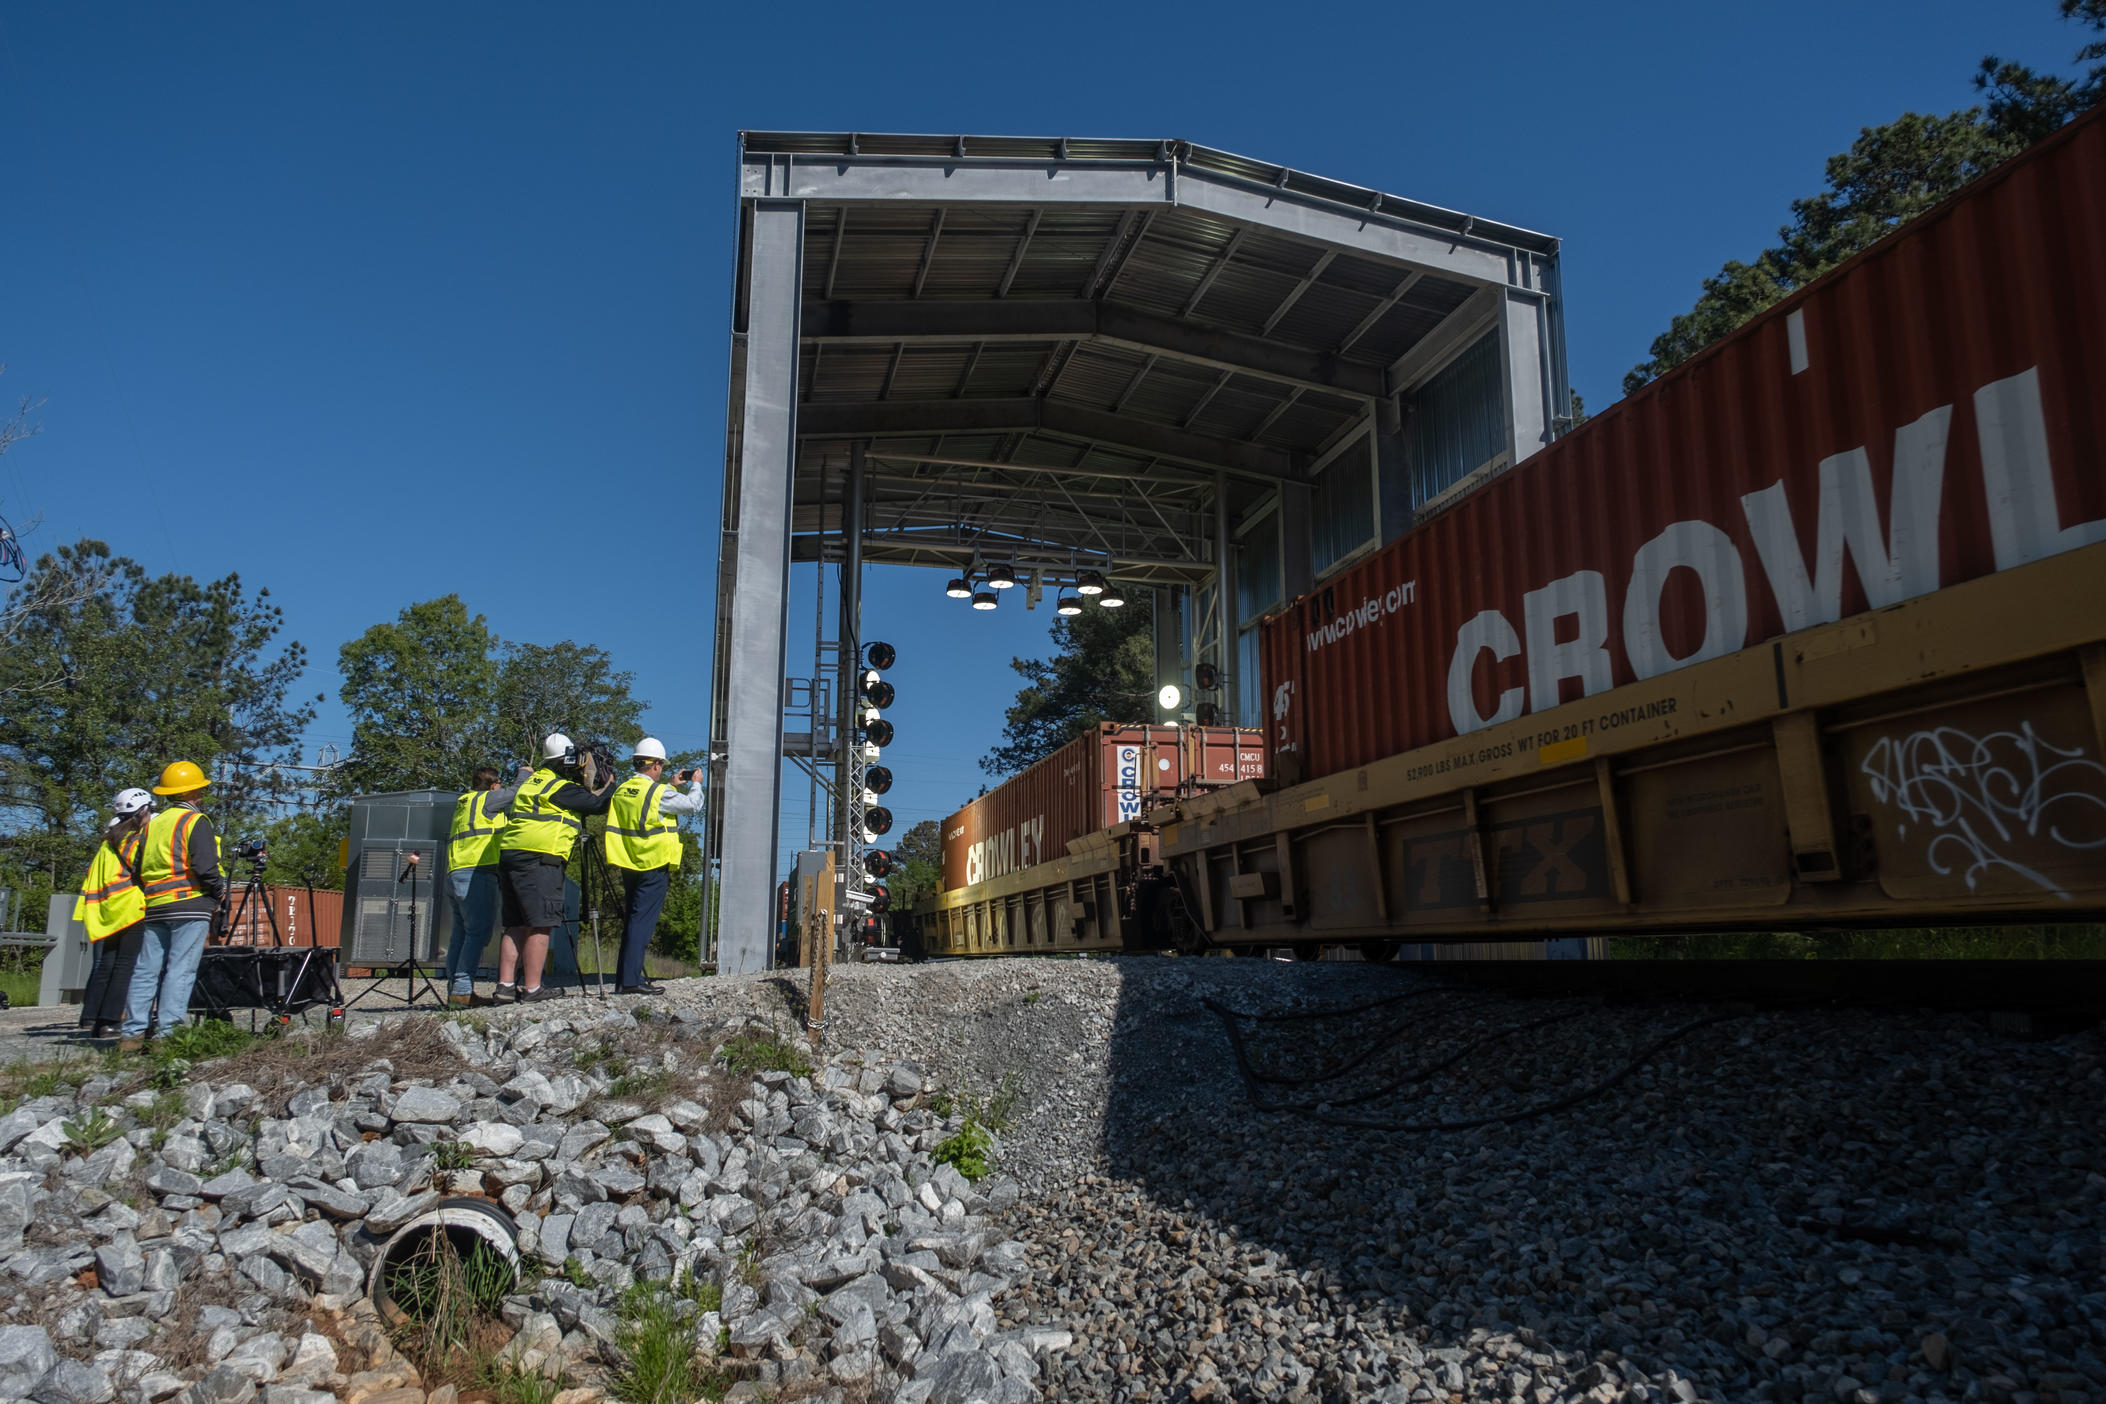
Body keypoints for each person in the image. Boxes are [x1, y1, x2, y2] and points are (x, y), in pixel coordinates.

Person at [495, 733, 616, 1002]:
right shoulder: (558, 787)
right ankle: (533, 988)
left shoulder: (533, 782)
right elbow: (597, 804)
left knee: (515, 924)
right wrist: (609, 784)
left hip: (512, 854)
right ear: (564, 760)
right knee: (541, 924)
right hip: (541, 859)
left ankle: (504, 987)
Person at [122, 760, 225, 1050]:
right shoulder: (195, 821)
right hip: (190, 905)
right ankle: (168, 1037)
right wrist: (218, 894)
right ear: (194, 792)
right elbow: (205, 867)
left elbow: (138, 868)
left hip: (155, 906)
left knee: (145, 970)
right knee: (180, 970)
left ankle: (132, 1034)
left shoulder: (151, 825)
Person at [603, 737, 703, 996]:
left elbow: (645, 811)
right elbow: (693, 806)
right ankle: (630, 981)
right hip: (653, 863)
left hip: (628, 862)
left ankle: (625, 978)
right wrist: (695, 784)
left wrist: (671, 785)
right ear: (656, 765)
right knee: (642, 922)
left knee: (632, 921)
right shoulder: (659, 793)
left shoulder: (624, 789)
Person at [442, 763, 525, 1007]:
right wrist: (524, 772)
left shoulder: (465, 802)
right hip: (477, 873)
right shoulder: (487, 800)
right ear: (493, 786)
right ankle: (463, 989)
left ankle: (455, 991)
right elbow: (517, 791)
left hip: (455, 872)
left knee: (460, 934)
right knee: (478, 933)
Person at [74, 788, 153, 1040]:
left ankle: (94, 1020)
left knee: (107, 964)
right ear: (141, 811)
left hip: (107, 910)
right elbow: (144, 870)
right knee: (126, 966)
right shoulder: (134, 839)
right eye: (149, 810)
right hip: (131, 908)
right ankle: (111, 1022)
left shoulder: (109, 841)